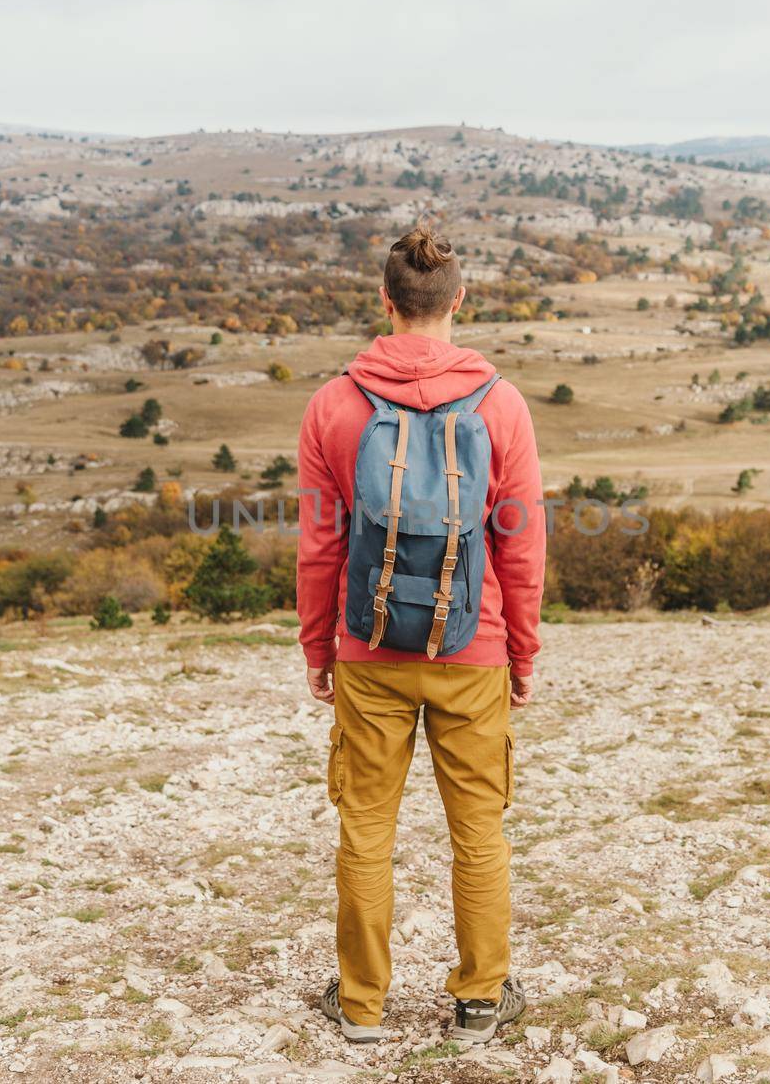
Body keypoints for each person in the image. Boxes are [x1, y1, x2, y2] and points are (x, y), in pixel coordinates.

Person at [295, 223, 545, 1044]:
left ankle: (361, 1005)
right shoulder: (501, 403)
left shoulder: (334, 404)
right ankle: (479, 999)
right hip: (473, 650)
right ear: (458, 300)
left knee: (367, 825)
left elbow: (322, 543)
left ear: (385, 302)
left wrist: (317, 645)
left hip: (368, 651)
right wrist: (522, 651)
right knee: (479, 829)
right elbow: (521, 542)